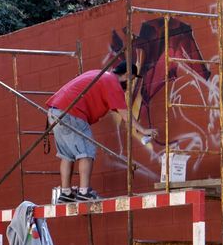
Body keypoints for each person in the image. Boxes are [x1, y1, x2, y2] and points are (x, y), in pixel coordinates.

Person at [47, 61, 157, 203]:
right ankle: (84, 192)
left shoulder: (100, 75)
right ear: (127, 75)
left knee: (67, 154)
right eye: (132, 79)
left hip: (55, 112)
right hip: (72, 113)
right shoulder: (112, 83)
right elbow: (126, 115)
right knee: (87, 151)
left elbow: (120, 113)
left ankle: (66, 193)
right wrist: (143, 130)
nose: (131, 84)